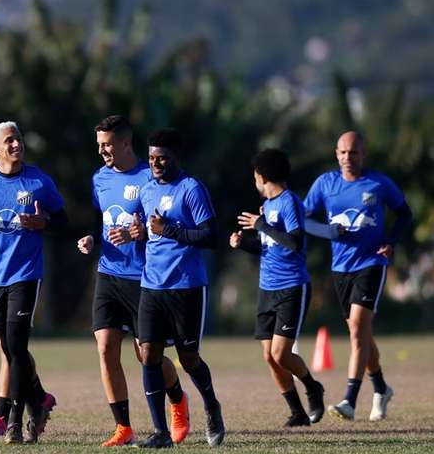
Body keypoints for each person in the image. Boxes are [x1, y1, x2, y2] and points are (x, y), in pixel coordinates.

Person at [76, 115, 189, 447]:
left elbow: (160, 226)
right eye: (99, 146)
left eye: (107, 145)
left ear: (126, 143)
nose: (102, 152)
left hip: (143, 279)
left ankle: (178, 401)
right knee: (105, 347)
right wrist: (92, 241)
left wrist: (139, 234)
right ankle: (123, 426)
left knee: (146, 354)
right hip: (108, 274)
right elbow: (104, 223)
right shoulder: (99, 179)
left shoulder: (149, 179)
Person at [0, 121, 67, 445]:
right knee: (9, 347)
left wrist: (43, 221)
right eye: (9, 140)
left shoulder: (38, 181)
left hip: (25, 275)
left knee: (17, 346)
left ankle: (15, 423)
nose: (16, 144)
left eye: (18, 138)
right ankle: (39, 401)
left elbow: (62, 220)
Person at [304, 131, 412, 421]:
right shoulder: (325, 184)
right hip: (340, 269)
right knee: (360, 332)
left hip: (372, 263)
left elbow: (405, 213)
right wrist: (328, 231)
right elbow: (303, 219)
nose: (347, 158)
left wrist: (392, 242)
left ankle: (349, 401)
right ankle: (381, 388)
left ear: (363, 154)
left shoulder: (379, 183)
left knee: (356, 331)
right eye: (342, 152)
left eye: (353, 152)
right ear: (335, 154)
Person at [135, 127, 225, 448]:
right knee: (149, 355)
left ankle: (211, 406)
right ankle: (160, 433)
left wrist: (168, 229)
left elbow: (210, 236)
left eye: (162, 158)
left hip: (186, 287)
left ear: (175, 157)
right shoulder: (146, 190)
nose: (156, 164)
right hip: (151, 285)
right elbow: (148, 231)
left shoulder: (191, 189)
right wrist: (139, 232)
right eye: (151, 158)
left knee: (188, 359)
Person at [229, 148, 325, 427]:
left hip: (292, 287)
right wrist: (243, 243)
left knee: (280, 353)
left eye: (254, 176)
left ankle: (312, 386)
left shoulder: (289, 202)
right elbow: (269, 246)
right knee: (269, 357)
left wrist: (261, 224)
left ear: (261, 176)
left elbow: (294, 242)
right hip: (266, 288)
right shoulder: (268, 207)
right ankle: (297, 413)